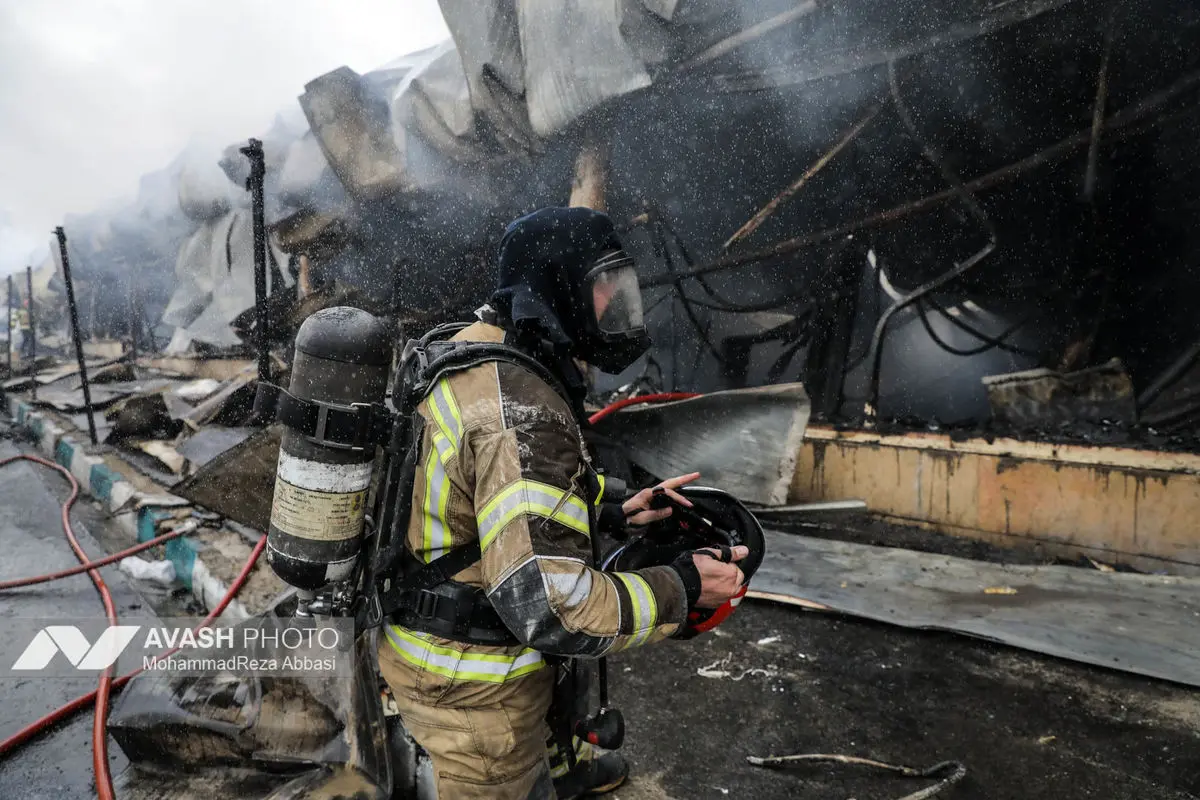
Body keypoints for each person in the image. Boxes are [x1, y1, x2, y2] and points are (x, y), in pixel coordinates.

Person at [377, 207, 749, 799]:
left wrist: (613, 510)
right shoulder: (523, 414)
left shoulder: (470, 350)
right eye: (606, 285)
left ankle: (562, 763)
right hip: (476, 696)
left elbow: (482, 492)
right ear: (558, 286)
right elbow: (552, 608)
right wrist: (679, 587)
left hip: (423, 641)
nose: (620, 302)